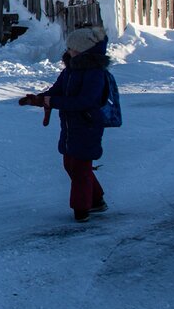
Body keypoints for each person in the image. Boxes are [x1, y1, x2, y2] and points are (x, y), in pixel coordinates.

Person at [19, 26, 112, 222]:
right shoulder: (71, 70)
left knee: (80, 167)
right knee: (71, 164)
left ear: (83, 50)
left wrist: (55, 103)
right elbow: (56, 91)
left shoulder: (95, 73)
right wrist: (38, 99)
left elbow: (86, 101)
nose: (68, 51)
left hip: (88, 126)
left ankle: (82, 209)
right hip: (71, 126)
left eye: (72, 48)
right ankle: (96, 199)